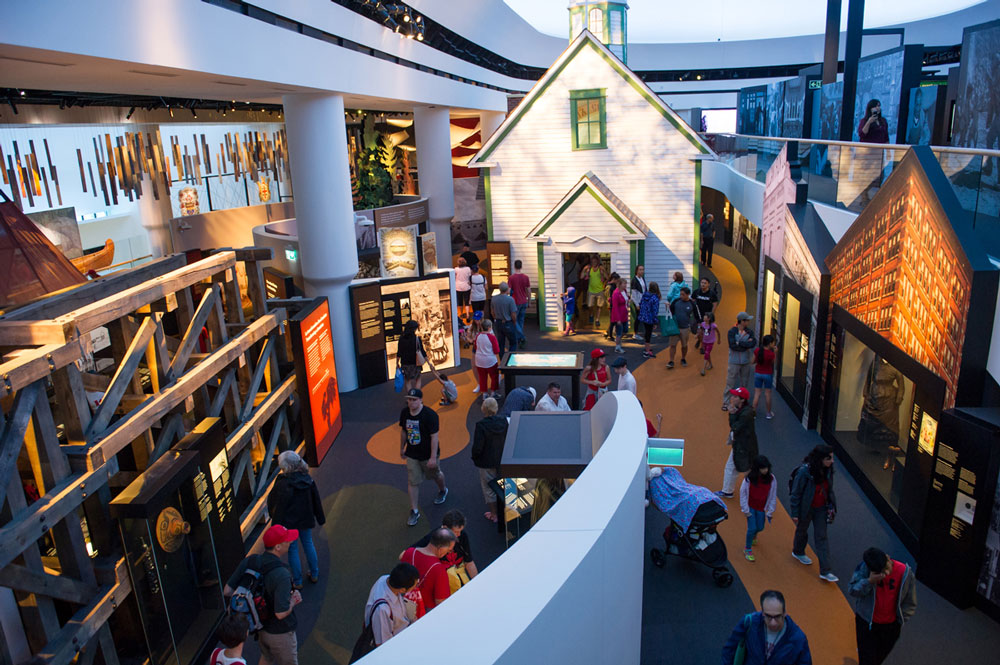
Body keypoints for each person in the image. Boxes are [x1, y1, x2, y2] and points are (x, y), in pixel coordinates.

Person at [224, 525, 303, 665]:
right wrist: (293, 601)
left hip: (259, 627)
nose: (290, 542)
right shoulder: (282, 574)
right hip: (280, 632)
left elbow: (228, 591)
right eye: (287, 540)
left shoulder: (251, 560)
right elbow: (281, 613)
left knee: (267, 657)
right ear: (278, 547)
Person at [266, 451, 325, 589]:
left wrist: (275, 525)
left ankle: (297, 581)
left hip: (289, 523)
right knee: (308, 543)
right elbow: (316, 500)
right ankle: (314, 573)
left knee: (292, 550)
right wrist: (320, 518)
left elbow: (276, 505)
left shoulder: (282, 484)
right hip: (306, 518)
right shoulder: (308, 479)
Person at [849, 547, 917, 665]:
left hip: (890, 628)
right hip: (866, 623)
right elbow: (853, 590)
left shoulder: (905, 572)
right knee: (867, 661)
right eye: (880, 571)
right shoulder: (865, 568)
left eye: (886, 568)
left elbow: (910, 602)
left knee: (878, 659)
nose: (885, 573)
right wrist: (869, 581)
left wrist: (900, 621)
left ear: (887, 557)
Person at [721, 590, 812, 665]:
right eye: (768, 616)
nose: (773, 623)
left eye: (777, 616)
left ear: (785, 613)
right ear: (762, 612)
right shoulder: (749, 622)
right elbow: (729, 650)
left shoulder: (798, 639)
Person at [789, 444, 838, 582]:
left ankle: (825, 570)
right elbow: (796, 493)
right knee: (802, 530)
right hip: (806, 508)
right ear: (820, 459)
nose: (832, 461)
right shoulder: (805, 472)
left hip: (821, 508)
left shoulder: (828, 470)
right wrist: (795, 513)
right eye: (829, 458)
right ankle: (798, 551)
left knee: (821, 536)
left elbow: (829, 489)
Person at [399, 388, 448, 527]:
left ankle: (443, 489)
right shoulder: (404, 413)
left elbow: (434, 437)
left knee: (435, 475)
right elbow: (404, 431)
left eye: (414, 400)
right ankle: (414, 510)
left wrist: (433, 457)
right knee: (412, 481)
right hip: (412, 453)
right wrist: (401, 448)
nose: (411, 402)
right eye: (409, 399)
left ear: (421, 400)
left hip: (428, 454)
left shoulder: (430, 415)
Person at [411, 510, 480, 583]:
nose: (459, 534)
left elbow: (469, 562)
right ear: (445, 528)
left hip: (459, 576)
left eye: (460, 531)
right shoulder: (432, 538)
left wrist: (477, 582)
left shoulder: (462, 535)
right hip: (442, 580)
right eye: (456, 532)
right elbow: (407, 554)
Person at [362, 563, 420, 648]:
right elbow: (383, 643)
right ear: (403, 590)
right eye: (414, 585)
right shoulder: (382, 609)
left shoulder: (384, 579)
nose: (416, 587)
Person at [399, 528, 456, 612]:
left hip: (403, 604)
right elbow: (441, 602)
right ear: (441, 549)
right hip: (424, 611)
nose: (448, 553)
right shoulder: (439, 570)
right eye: (448, 550)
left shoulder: (410, 552)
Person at [471, 397, 507, 523]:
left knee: (488, 488)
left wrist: (475, 457)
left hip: (486, 461)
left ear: (483, 409)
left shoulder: (481, 425)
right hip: (501, 459)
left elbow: (478, 447)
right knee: (504, 484)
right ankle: (506, 510)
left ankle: (494, 514)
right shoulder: (503, 422)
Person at [719, 387, 759, 499]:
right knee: (735, 467)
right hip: (743, 444)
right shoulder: (744, 410)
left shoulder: (746, 413)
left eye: (735, 396)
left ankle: (753, 493)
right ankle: (728, 491)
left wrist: (731, 414)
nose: (732, 398)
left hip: (743, 446)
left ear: (742, 400)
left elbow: (735, 427)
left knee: (745, 469)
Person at [740, 455, 777, 562]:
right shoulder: (749, 479)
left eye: (766, 467)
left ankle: (754, 536)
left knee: (760, 527)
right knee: (751, 528)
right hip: (750, 507)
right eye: (762, 468)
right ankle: (747, 549)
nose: (765, 470)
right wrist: (745, 510)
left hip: (761, 508)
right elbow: (743, 494)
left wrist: (770, 510)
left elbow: (772, 494)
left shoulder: (772, 479)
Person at [723, 312, 758, 411]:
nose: (748, 322)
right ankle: (726, 402)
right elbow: (732, 345)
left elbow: (753, 343)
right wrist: (745, 344)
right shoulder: (732, 331)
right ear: (742, 321)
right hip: (734, 361)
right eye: (747, 320)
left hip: (745, 362)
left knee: (744, 384)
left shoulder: (749, 332)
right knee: (730, 382)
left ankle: (743, 403)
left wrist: (740, 343)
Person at [397, 320, 432, 394]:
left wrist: (397, 363)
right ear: (414, 329)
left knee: (407, 380)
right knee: (418, 379)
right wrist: (429, 362)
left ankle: (410, 397)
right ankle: (416, 396)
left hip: (405, 363)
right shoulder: (417, 339)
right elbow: (422, 351)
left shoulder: (401, 339)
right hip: (416, 363)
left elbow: (399, 352)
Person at [667, 287, 697, 369]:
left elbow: (696, 315)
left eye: (683, 295)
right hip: (675, 327)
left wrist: (694, 325)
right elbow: (671, 309)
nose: (681, 296)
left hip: (685, 328)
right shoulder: (676, 301)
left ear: (688, 295)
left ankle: (683, 358)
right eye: (680, 294)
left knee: (684, 345)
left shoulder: (692, 304)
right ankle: (671, 361)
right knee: (672, 345)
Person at [473, 319, 500, 398]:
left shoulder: (477, 336)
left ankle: (484, 394)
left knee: (482, 378)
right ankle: (493, 393)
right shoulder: (492, 337)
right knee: (494, 376)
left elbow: (475, 347)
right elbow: (496, 351)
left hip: (479, 361)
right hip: (490, 361)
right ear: (489, 327)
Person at [490, 282, 518, 357]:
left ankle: (502, 361)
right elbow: (513, 314)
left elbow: (492, 312)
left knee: (501, 343)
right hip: (508, 322)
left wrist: (495, 318)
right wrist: (514, 322)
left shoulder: (494, 298)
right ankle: (510, 358)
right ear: (507, 289)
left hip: (498, 322)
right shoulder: (510, 299)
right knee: (513, 342)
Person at [581, 254, 608, 329]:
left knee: (599, 306)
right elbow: (581, 277)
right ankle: (591, 315)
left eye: (595, 261)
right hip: (591, 290)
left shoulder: (601, 268)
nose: (594, 263)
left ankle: (597, 319)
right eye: (593, 262)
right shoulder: (589, 269)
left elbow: (607, 277)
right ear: (591, 262)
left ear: (598, 261)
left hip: (600, 290)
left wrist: (603, 274)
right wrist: (584, 270)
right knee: (590, 306)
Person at [753, 335, 777, 419]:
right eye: (773, 342)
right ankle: (768, 413)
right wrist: (775, 353)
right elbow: (773, 363)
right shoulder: (771, 354)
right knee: (767, 394)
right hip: (767, 374)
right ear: (770, 343)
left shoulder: (757, 351)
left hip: (758, 373)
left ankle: (753, 413)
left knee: (757, 393)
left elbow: (753, 361)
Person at [509, 259, 531, 349]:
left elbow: (509, 290)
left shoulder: (511, 278)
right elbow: (528, 290)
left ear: (514, 266)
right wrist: (529, 301)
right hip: (523, 301)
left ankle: (521, 337)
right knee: (521, 321)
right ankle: (520, 339)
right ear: (521, 266)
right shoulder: (526, 277)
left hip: (515, 302)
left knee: (514, 321)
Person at [638, 282, 661, 359]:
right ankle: (647, 351)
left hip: (644, 317)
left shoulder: (645, 295)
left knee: (647, 333)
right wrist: (655, 321)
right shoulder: (655, 298)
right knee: (648, 333)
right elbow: (655, 310)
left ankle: (647, 347)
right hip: (650, 318)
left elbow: (641, 304)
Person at [610, 278, 629, 353]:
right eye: (624, 284)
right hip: (619, 315)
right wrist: (618, 319)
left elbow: (626, 299)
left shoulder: (624, 291)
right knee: (619, 331)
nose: (625, 285)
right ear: (620, 284)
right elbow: (615, 307)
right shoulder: (616, 293)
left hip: (624, 314)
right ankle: (617, 347)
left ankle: (618, 340)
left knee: (625, 330)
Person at [630, 265, 647, 340]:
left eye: (642, 269)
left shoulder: (642, 278)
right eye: (640, 270)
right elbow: (634, 294)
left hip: (643, 300)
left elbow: (644, 289)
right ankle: (635, 333)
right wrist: (637, 304)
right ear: (636, 271)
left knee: (644, 316)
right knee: (638, 317)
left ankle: (647, 331)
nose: (642, 271)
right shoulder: (634, 280)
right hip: (637, 301)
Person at [699, 312, 719, 377]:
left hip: (710, 342)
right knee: (707, 353)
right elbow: (701, 331)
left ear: (709, 318)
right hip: (705, 341)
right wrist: (698, 335)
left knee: (706, 353)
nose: (704, 317)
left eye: (705, 316)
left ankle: (703, 369)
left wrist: (719, 340)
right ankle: (710, 364)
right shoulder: (702, 324)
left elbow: (718, 332)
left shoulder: (713, 325)